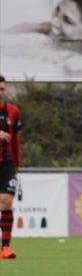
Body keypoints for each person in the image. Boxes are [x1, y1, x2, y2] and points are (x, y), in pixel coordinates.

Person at [0, 75, 23, 260]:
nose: (0, 92)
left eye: (2, 89)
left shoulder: (13, 112)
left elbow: (15, 140)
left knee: (7, 202)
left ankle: (5, 248)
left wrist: (17, 164)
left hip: (6, 163)